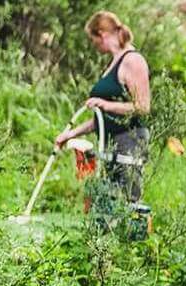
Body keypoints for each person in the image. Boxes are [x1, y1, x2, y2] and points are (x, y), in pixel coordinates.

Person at [56, 11, 153, 238]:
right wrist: (70, 134)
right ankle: (105, 258)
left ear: (101, 34)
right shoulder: (113, 64)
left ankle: (131, 258)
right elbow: (100, 118)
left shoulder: (133, 60)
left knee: (127, 204)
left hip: (129, 142)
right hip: (109, 143)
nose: (93, 46)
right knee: (107, 203)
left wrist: (105, 104)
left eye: (93, 40)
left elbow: (142, 107)